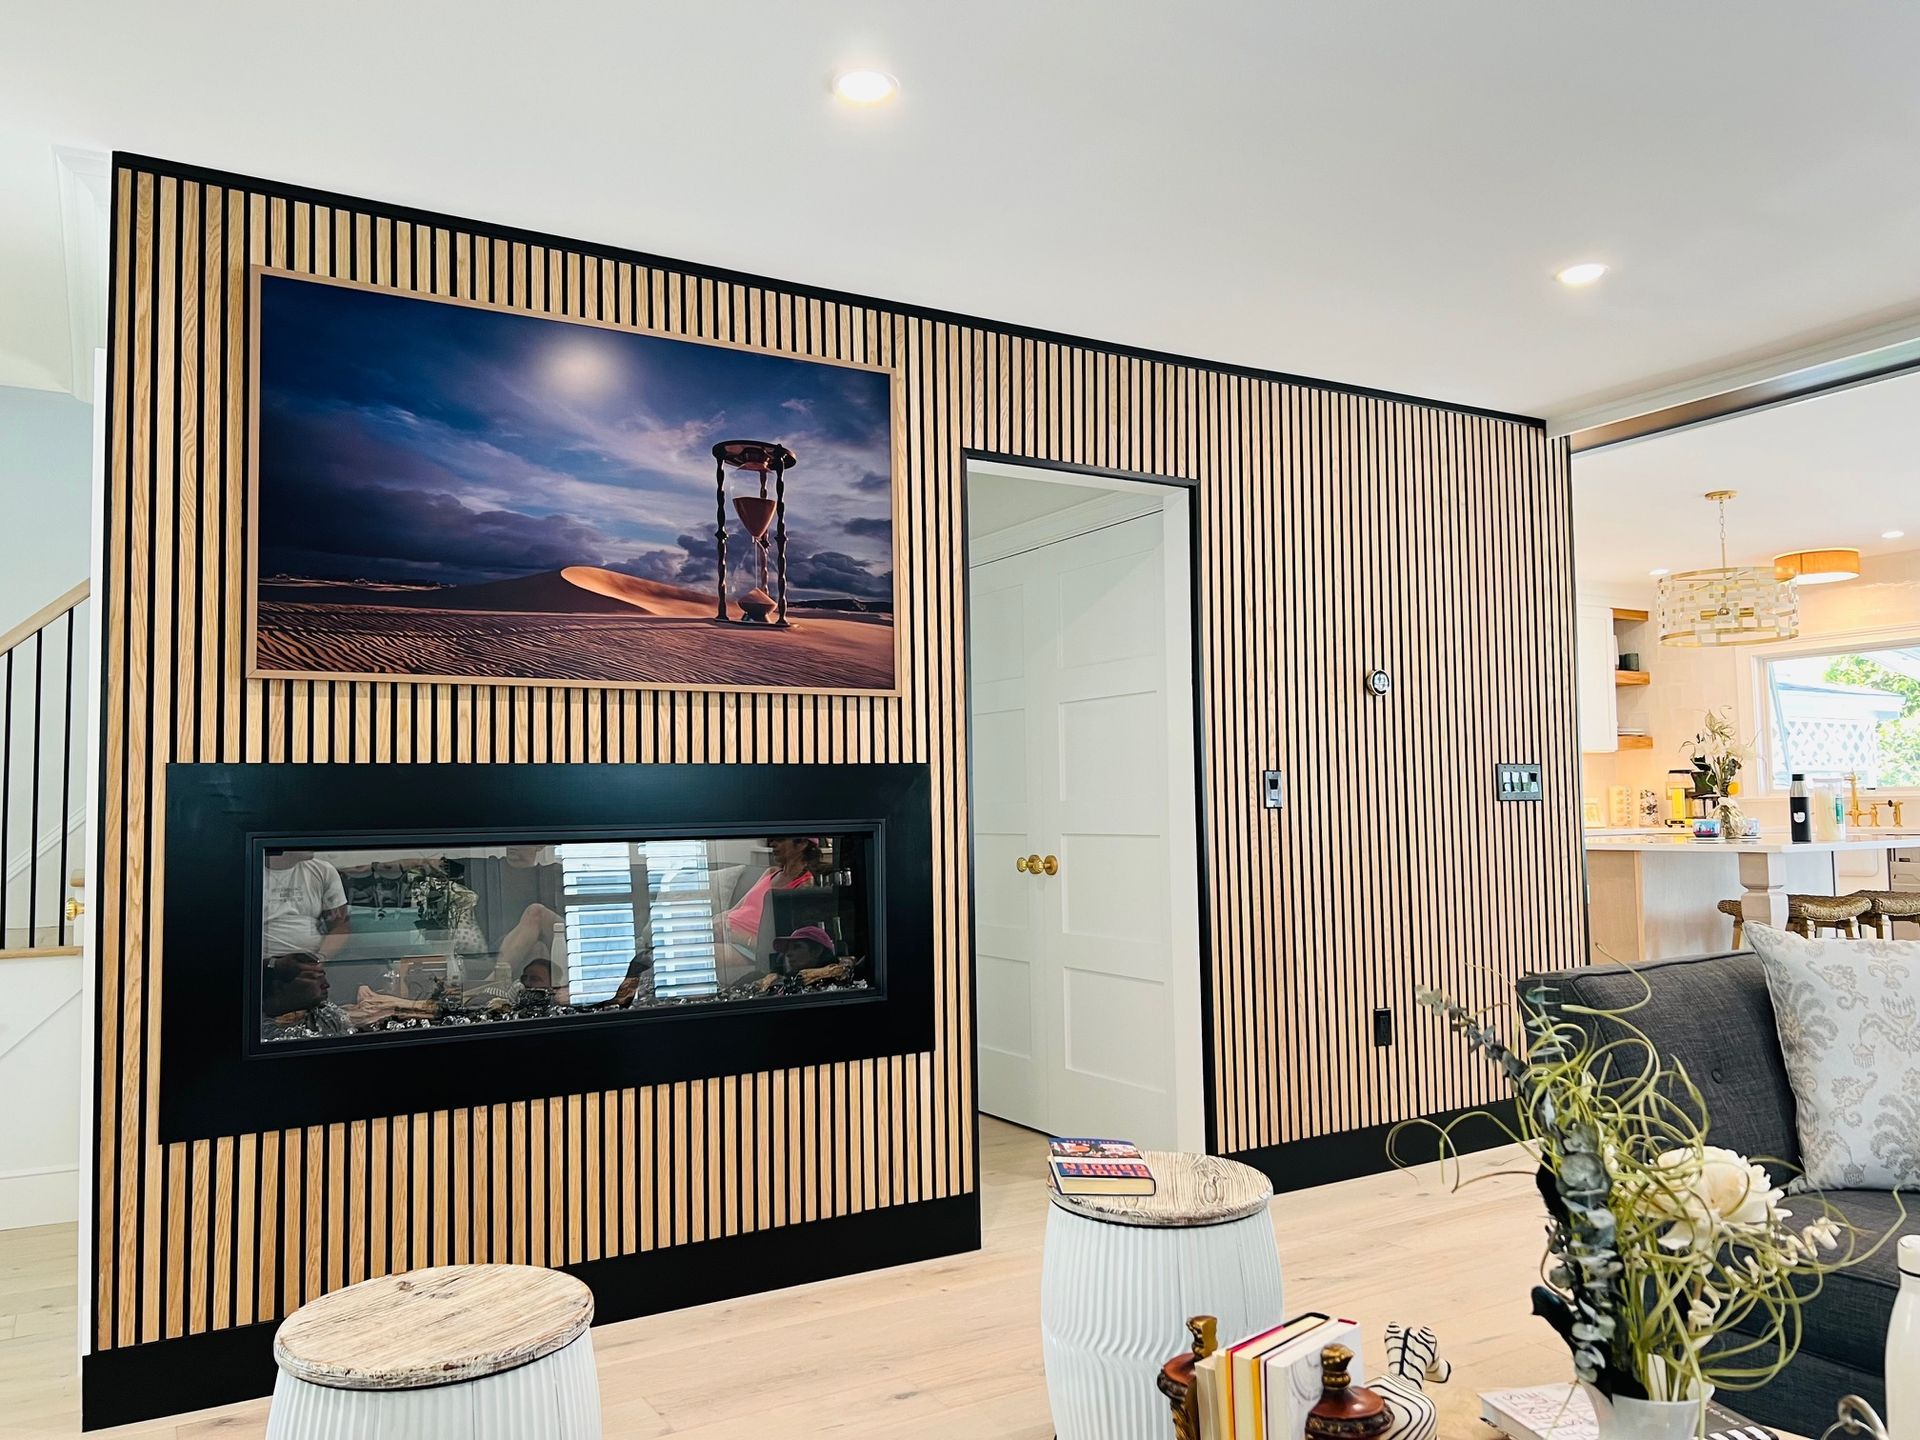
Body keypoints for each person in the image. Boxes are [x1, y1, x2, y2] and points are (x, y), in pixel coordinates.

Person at [720, 837, 821, 955]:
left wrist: (736, 937)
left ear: (801, 844)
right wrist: (714, 923)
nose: (772, 844)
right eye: (771, 840)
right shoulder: (771, 872)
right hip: (726, 932)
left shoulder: (804, 887)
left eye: (779, 839)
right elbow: (734, 910)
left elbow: (779, 941)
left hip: (747, 946)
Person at [262, 850, 351, 959]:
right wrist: (273, 965)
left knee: (374, 970)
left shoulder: (323, 870)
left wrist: (320, 959)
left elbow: (340, 926)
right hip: (261, 965)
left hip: (314, 961)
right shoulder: (247, 870)